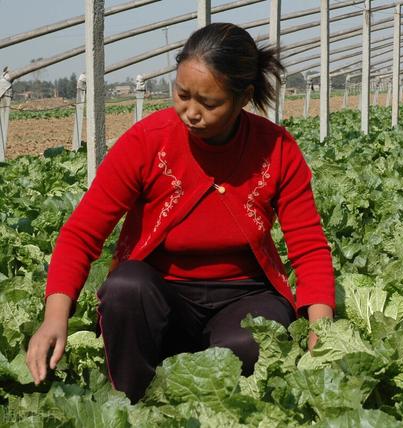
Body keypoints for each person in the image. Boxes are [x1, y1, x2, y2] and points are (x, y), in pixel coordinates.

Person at [25, 23, 335, 403]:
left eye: (209, 103)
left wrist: (323, 333)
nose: (191, 112)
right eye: (182, 94)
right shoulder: (146, 142)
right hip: (160, 294)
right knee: (126, 288)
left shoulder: (277, 149)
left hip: (244, 294)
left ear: (244, 98)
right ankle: (132, 404)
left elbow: (309, 247)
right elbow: (82, 233)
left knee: (252, 340)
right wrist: (55, 316)